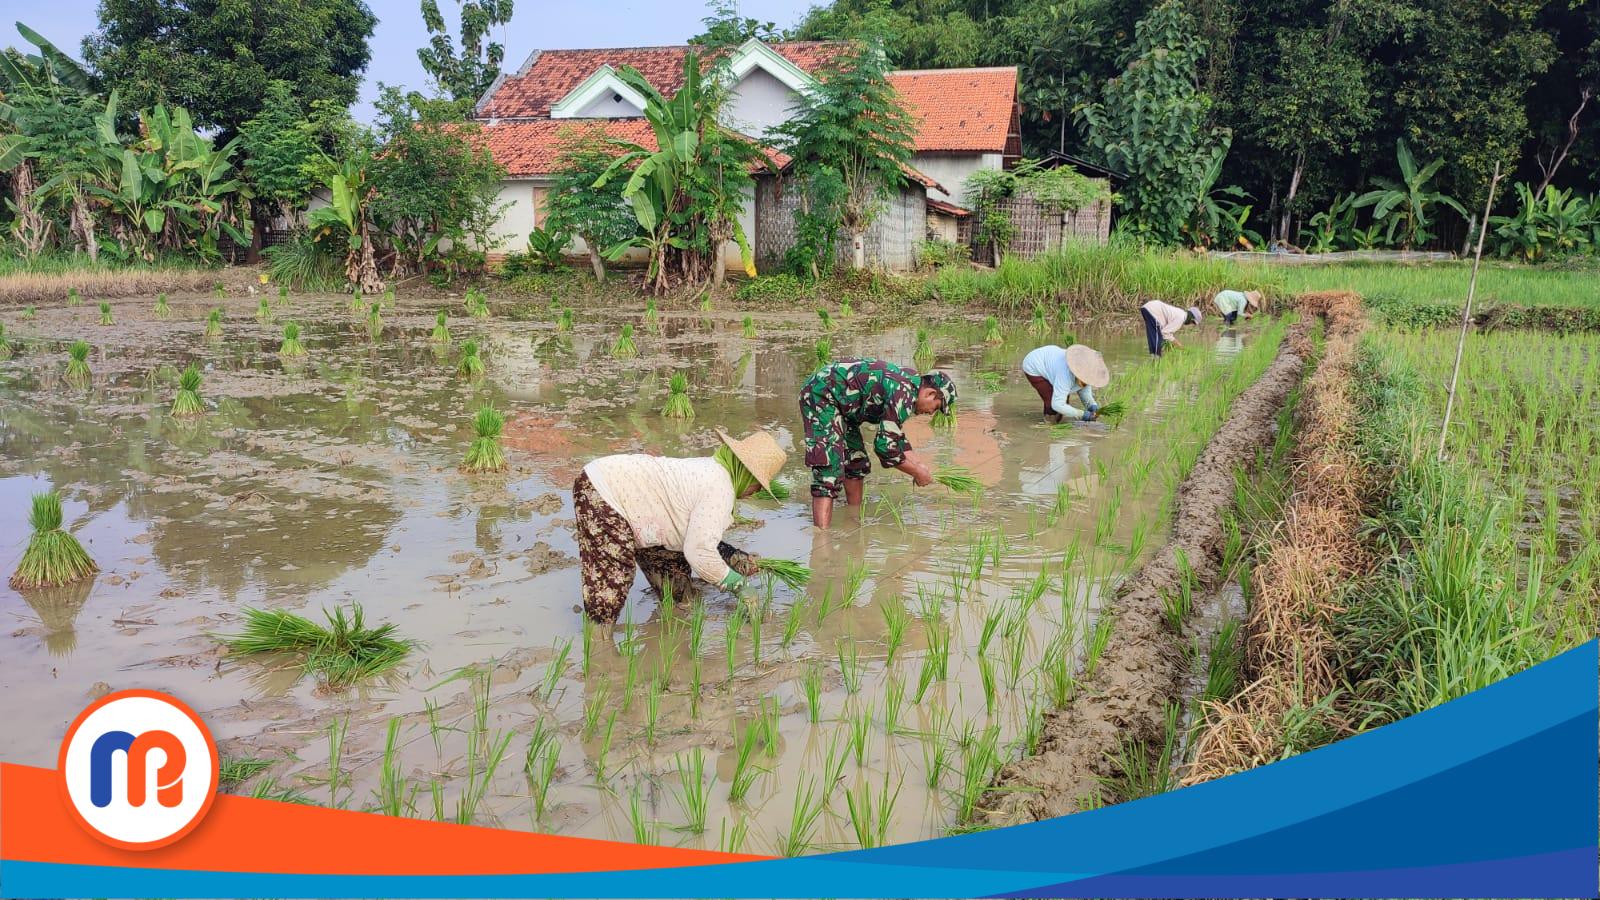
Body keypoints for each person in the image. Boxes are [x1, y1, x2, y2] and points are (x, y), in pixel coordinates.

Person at [572, 429, 786, 623]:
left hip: (647, 513)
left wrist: (735, 557)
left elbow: (694, 537)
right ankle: (599, 644)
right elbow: (699, 552)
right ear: (745, 472)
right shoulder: (720, 488)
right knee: (614, 575)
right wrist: (739, 586)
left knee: (678, 591)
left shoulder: (713, 470)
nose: (756, 491)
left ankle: (671, 628)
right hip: (605, 489)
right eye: (758, 483)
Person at [801, 358, 956, 528]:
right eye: (936, 407)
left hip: (845, 407)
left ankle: (853, 521)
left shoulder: (910, 386)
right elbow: (885, 448)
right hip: (822, 394)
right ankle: (821, 540)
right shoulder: (903, 392)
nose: (931, 413)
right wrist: (917, 472)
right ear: (930, 394)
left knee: (856, 461)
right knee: (828, 469)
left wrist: (918, 463)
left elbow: (895, 434)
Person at [1022, 343, 1110, 422]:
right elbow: (1057, 404)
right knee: (1053, 403)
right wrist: (1082, 414)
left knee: (1064, 402)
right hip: (1034, 365)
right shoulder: (1065, 374)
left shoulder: (1088, 372)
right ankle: (1049, 425)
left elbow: (1084, 391)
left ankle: (1056, 422)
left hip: (1052, 361)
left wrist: (1092, 406)